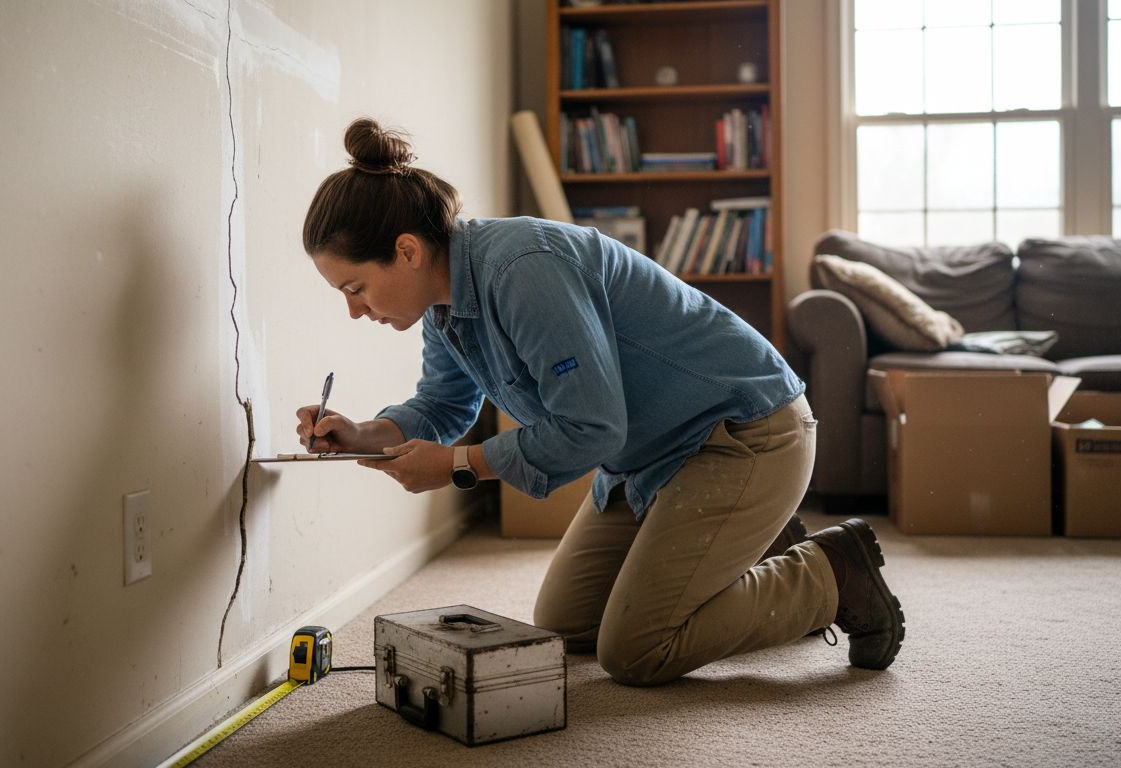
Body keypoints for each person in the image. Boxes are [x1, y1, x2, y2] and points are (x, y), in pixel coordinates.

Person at [295, 117, 905, 685]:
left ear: (406, 251)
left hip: (743, 433)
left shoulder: (522, 269)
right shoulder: (442, 304)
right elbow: (442, 405)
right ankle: (756, 544)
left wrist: (461, 465)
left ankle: (833, 571)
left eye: (356, 287)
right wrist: (363, 434)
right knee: (569, 624)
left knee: (637, 650)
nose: (354, 310)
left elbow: (591, 427)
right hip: (646, 458)